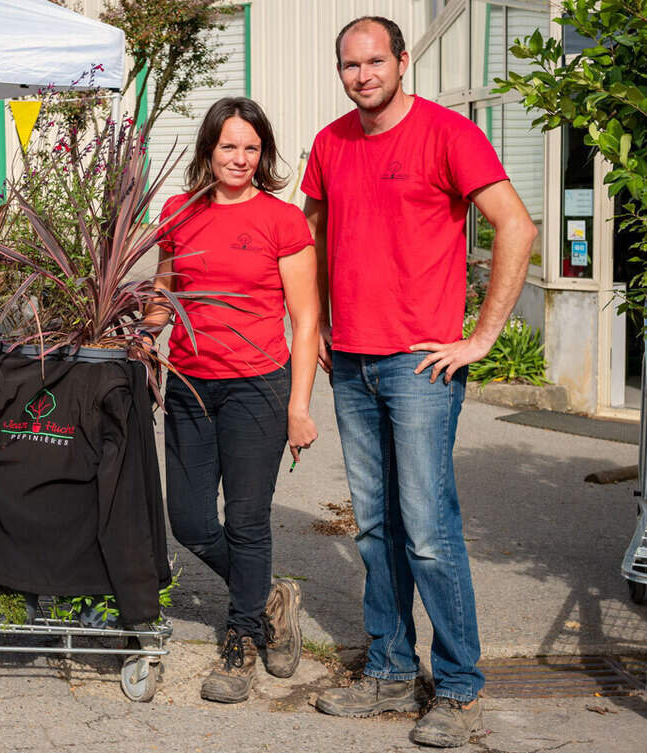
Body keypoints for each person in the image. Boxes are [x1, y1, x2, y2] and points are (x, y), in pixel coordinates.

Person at [301, 16, 536, 747]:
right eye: (350, 64)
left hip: (420, 364)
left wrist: (481, 338)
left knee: (428, 529)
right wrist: (313, 332)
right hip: (351, 362)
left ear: (403, 61)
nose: (362, 74)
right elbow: (309, 235)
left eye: (375, 61)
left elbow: (517, 226)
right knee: (375, 528)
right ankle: (392, 669)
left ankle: (460, 686)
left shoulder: (447, 135)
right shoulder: (329, 143)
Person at [146, 96, 320, 704]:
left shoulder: (282, 221)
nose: (240, 158)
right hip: (191, 383)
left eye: (251, 148)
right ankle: (271, 597)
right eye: (229, 146)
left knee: (246, 521)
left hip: (258, 386)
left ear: (262, 153)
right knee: (190, 521)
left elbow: (305, 317)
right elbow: (164, 293)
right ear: (209, 150)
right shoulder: (178, 213)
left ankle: (241, 638)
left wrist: (300, 406)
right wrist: (142, 335)